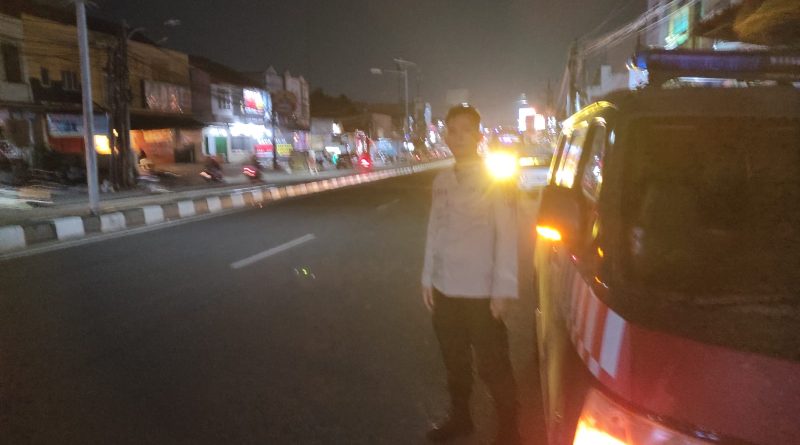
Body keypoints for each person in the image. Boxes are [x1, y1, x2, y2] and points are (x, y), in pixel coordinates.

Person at [422, 104, 520, 445]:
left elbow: (507, 234)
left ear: (479, 136)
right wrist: (427, 277)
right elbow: (435, 229)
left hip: (482, 291)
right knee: (455, 361)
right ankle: (460, 418)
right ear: (446, 137)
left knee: (493, 365)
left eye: (466, 130)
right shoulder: (442, 181)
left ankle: (510, 431)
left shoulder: (495, 180)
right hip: (445, 288)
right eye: (452, 130)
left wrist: (503, 288)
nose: (458, 136)